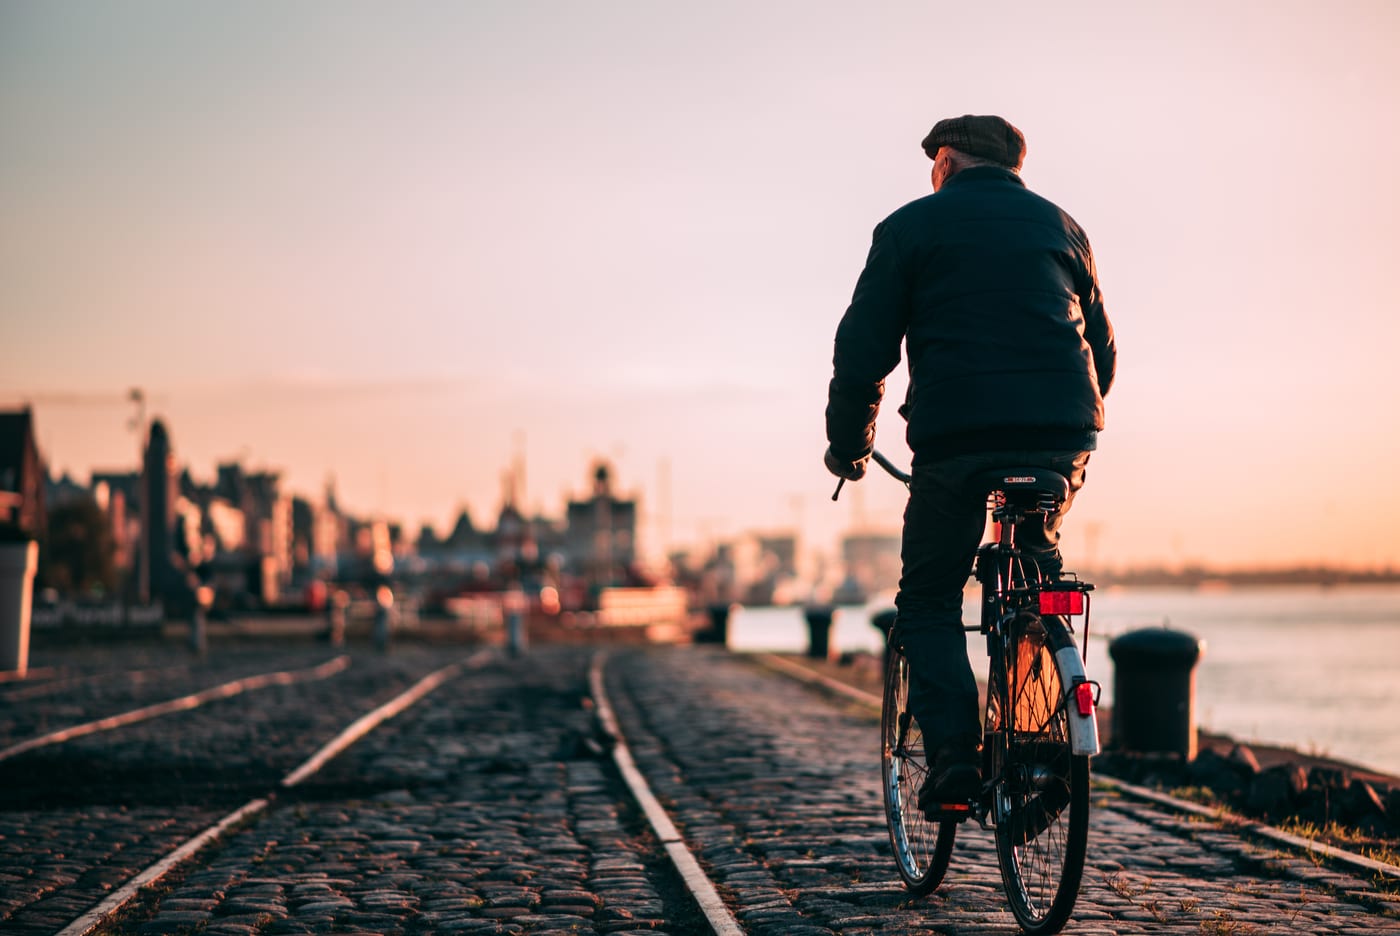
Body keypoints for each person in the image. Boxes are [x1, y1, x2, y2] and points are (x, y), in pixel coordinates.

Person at [823, 114, 1116, 813]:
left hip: (957, 438)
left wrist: (851, 445)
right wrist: (1066, 423)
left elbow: (864, 352)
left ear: (947, 164)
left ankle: (954, 759)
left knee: (927, 598)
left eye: (934, 166)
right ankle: (1040, 747)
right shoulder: (1063, 227)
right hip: (1061, 432)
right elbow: (1101, 350)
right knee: (1039, 574)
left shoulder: (909, 228)